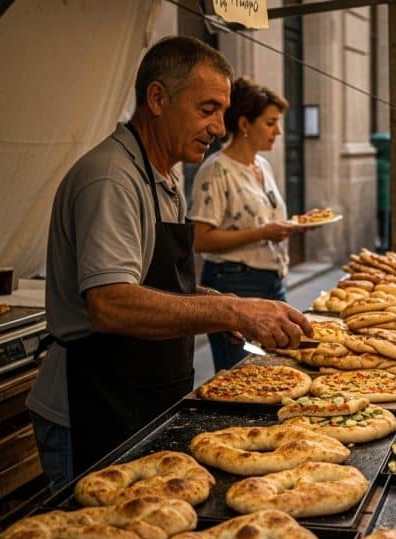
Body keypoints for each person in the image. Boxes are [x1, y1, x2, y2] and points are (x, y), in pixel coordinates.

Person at [27, 37, 313, 487]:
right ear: (157, 98)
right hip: (92, 404)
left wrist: (216, 301)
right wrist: (231, 310)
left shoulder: (165, 175)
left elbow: (150, 282)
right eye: (207, 109)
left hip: (144, 394)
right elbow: (110, 302)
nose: (219, 127)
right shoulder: (110, 179)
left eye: (222, 110)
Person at [189, 77, 302, 371]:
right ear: (244, 124)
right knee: (242, 378)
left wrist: (288, 228)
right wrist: (264, 232)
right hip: (233, 282)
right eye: (270, 122)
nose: (278, 131)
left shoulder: (262, 165)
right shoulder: (216, 170)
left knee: (280, 372)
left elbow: (265, 221)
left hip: (272, 280)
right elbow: (200, 239)